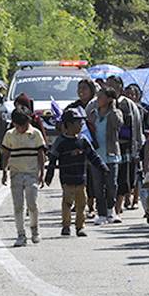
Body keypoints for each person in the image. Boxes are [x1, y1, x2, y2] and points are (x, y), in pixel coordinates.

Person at [45, 109, 109, 237]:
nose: (80, 125)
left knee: (81, 204)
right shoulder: (61, 141)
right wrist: (49, 175)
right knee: (67, 203)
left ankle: (80, 226)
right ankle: (66, 225)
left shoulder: (83, 140)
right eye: (77, 123)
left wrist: (102, 167)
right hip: (67, 179)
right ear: (68, 125)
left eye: (81, 123)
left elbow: (93, 156)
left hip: (81, 179)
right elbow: (52, 159)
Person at [0, 107, 47, 247]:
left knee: (32, 203)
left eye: (23, 125)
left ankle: (34, 229)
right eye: (17, 125)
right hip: (16, 174)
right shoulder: (9, 135)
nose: (20, 128)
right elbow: (6, 154)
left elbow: (41, 154)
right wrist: (4, 172)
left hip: (31, 173)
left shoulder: (35, 134)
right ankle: (20, 234)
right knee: (18, 205)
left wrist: (41, 173)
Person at [106, 76, 145, 217]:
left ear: (120, 88)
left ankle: (118, 207)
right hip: (106, 147)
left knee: (124, 178)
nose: (109, 88)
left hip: (125, 147)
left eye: (113, 85)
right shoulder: (99, 103)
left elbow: (135, 126)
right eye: (107, 85)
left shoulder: (127, 104)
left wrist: (138, 146)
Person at [87, 87, 124, 225]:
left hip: (111, 154)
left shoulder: (116, 113)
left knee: (111, 184)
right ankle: (101, 213)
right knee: (98, 185)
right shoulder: (93, 114)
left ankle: (111, 210)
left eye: (101, 97)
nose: (98, 100)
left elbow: (118, 124)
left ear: (109, 99)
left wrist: (113, 108)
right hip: (96, 155)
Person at [67, 78, 98, 218]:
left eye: (84, 88)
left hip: (93, 145)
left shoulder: (97, 105)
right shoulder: (73, 107)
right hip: (76, 146)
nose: (81, 91)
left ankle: (91, 206)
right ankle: (78, 203)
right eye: (79, 88)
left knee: (92, 178)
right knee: (78, 176)